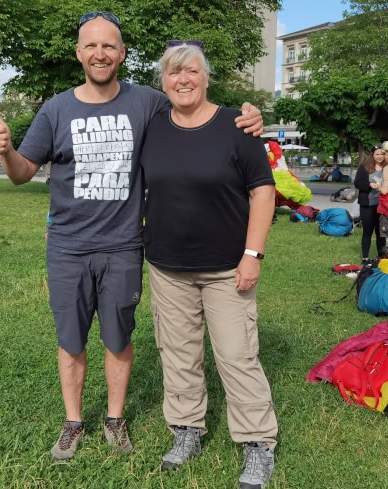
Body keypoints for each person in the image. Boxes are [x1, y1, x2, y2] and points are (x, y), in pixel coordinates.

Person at [0, 10, 264, 462]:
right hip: (68, 247)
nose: (100, 53)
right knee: (70, 341)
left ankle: (115, 419)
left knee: (118, 338)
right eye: (91, 45)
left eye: (109, 45)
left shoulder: (148, 102)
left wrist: (250, 115)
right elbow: (22, 174)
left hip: (125, 246)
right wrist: (5, 150)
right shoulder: (55, 109)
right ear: (78, 53)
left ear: (122, 54)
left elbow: (198, 109)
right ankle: (73, 422)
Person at [140, 43, 278, 488]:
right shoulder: (153, 127)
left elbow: (263, 192)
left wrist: (252, 255)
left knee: (237, 356)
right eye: (174, 73)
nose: (183, 80)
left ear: (206, 77)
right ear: (163, 82)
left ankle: (258, 444)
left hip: (226, 269)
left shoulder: (238, 127)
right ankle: (186, 431)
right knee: (178, 354)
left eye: (192, 71)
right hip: (167, 266)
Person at [354, 147, 387, 264]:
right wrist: (369, 185)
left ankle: (381, 257)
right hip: (367, 204)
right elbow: (357, 182)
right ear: (373, 155)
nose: (380, 156)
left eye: (382, 154)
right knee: (367, 231)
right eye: (377, 154)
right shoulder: (365, 167)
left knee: (381, 233)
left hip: (382, 205)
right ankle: (365, 258)